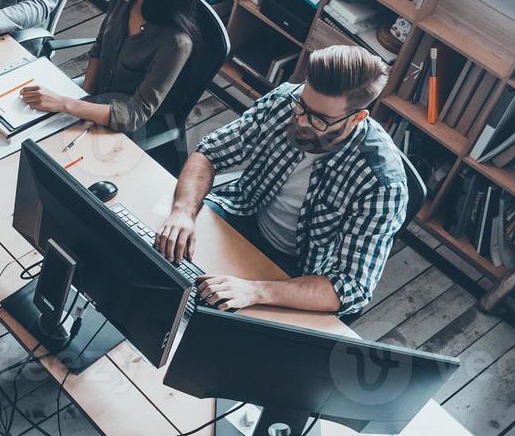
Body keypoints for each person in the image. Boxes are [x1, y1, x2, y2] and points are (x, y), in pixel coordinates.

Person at [155, 45, 408, 317]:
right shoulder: (285, 100)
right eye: (302, 105)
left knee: (213, 323)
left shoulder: (382, 183)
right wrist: (182, 212)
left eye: (319, 120)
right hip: (243, 213)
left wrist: (254, 291)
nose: (300, 121)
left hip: (299, 270)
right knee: (160, 256)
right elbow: (210, 152)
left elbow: (350, 287)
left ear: (357, 118)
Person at [21, 0, 197, 136]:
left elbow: (135, 114)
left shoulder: (176, 43)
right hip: (95, 99)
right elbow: (100, 46)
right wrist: (83, 96)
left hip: (132, 125)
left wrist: (67, 104)